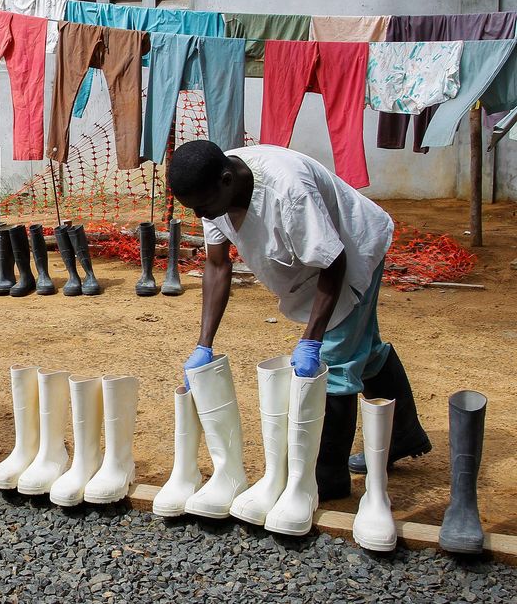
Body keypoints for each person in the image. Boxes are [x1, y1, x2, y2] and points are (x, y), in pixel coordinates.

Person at [167, 140, 431, 500]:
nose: (201, 217)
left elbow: (334, 263)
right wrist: (204, 344)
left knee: (334, 360)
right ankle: (404, 433)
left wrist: (311, 341)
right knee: (362, 349)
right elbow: (217, 265)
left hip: (350, 251)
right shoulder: (214, 197)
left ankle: (328, 477)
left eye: (203, 207)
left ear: (227, 180)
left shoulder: (287, 192)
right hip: (311, 264)